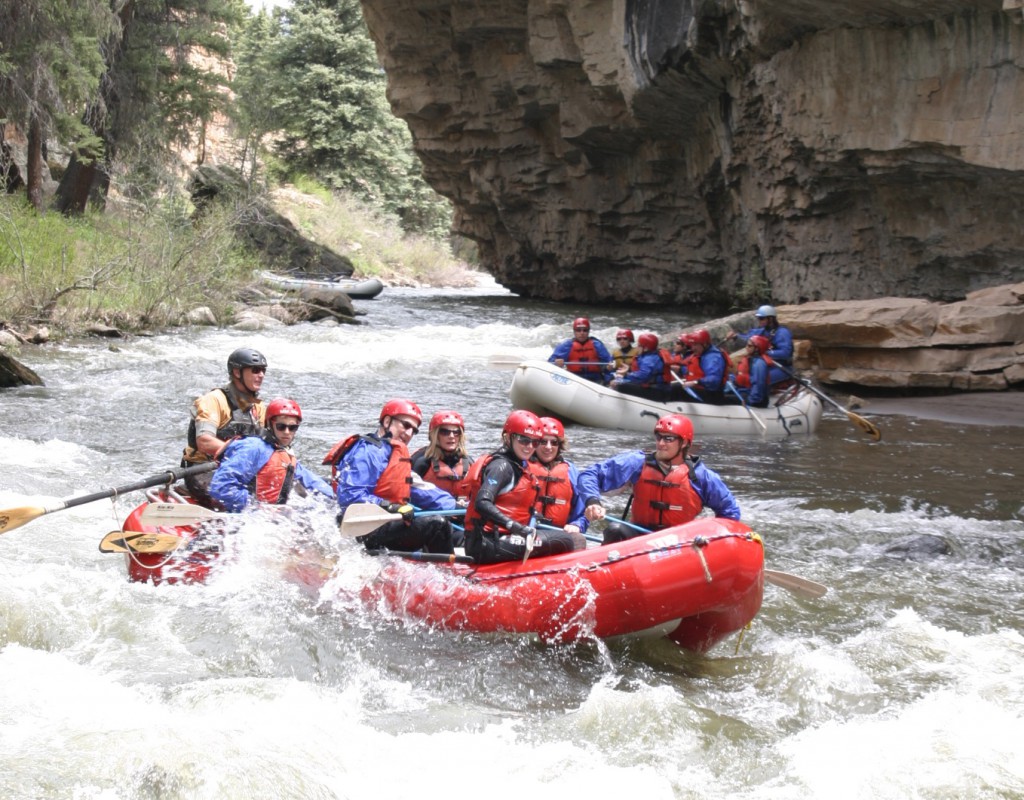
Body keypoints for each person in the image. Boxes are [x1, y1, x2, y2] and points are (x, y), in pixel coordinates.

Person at [578, 413, 740, 544]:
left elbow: (730, 513)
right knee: (615, 530)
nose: (661, 443)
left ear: (684, 443)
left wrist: (711, 537)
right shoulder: (636, 462)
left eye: (668, 439)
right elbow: (590, 475)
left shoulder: (702, 477)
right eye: (658, 437)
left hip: (681, 542)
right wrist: (593, 502)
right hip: (640, 537)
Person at [325, 398, 456, 555]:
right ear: (387, 421)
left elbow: (422, 492)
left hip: (384, 524)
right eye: (405, 425)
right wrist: (391, 506)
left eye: (413, 430)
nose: (408, 433)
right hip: (363, 530)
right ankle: (449, 575)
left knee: (449, 523)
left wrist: (458, 508)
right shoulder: (368, 452)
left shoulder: (393, 454)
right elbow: (350, 496)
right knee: (438, 525)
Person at [463, 410, 579, 564]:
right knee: (565, 540)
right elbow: (482, 502)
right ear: (508, 438)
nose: (529, 447)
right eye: (524, 440)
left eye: (535, 442)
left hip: (495, 539)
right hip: (486, 542)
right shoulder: (502, 466)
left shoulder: (519, 466)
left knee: (558, 537)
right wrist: (514, 526)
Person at [208, 398, 333, 513]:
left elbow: (312, 482)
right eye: (281, 426)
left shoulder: (285, 455)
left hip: (271, 518)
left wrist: (336, 499)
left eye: (292, 427)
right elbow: (220, 487)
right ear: (270, 425)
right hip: (247, 518)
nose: (287, 432)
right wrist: (256, 507)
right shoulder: (253, 448)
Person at [180, 347, 269, 507]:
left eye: (263, 370)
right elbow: (204, 441)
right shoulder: (214, 400)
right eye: (255, 370)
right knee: (235, 498)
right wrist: (240, 453)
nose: (261, 375)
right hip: (203, 470)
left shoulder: (258, 408)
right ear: (237, 372)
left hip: (239, 470)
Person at [526, 417, 587, 549]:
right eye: (543, 441)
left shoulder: (571, 472)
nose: (548, 447)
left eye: (553, 442)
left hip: (558, 534)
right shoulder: (522, 467)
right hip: (524, 531)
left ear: (560, 446)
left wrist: (577, 525)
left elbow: (582, 511)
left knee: (579, 540)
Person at [411, 410, 473, 502]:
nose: (451, 436)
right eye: (445, 432)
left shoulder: (469, 463)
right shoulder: (421, 461)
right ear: (435, 435)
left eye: (456, 432)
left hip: (462, 512)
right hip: (429, 513)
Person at [726, 304, 794, 386]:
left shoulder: (782, 333)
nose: (759, 321)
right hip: (765, 365)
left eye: (761, 318)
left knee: (756, 379)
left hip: (782, 367)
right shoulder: (761, 331)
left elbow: (786, 353)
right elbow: (748, 340)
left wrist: (765, 353)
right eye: (758, 318)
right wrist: (735, 337)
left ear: (771, 319)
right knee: (739, 375)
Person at [548, 317, 613, 384]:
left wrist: (608, 378)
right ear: (574, 331)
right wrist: (556, 362)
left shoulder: (597, 345)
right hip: (574, 380)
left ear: (588, 331)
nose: (582, 333)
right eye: (578, 330)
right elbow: (550, 363)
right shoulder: (566, 345)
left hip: (595, 381)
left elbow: (609, 365)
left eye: (585, 330)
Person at [610, 332, 668, 400]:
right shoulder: (647, 356)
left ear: (646, 348)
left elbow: (642, 376)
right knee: (620, 382)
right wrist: (629, 369)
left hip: (656, 390)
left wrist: (626, 375)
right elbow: (640, 371)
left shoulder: (649, 359)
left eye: (639, 345)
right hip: (654, 387)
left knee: (620, 386)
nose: (637, 347)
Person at [677, 329, 729, 403]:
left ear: (704, 344)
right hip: (701, 389)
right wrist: (679, 370)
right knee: (674, 387)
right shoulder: (701, 354)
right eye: (692, 345)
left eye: (695, 345)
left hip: (712, 395)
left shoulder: (713, 357)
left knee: (676, 390)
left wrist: (695, 382)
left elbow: (714, 380)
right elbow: (694, 370)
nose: (693, 348)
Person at [729, 335, 771, 408]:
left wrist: (749, 401)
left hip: (754, 400)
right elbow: (742, 376)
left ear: (757, 349)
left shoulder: (759, 364)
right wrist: (732, 379)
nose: (746, 347)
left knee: (724, 399)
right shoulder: (750, 359)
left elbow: (758, 386)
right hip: (744, 392)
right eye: (747, 345)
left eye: (749, 346)